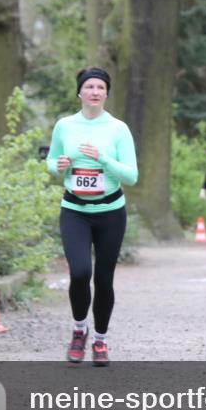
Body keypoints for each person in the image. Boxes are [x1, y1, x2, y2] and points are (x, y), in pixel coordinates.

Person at [46, 67, 138, 366]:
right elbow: (51, 160)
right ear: (80, 92)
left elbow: (132, 175)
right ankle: (78, 329)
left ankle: (100, 339)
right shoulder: (65, 126)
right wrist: (57, 165)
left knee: (103, 278)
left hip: (111, 212)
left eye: (100, 87)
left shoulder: (118, 129)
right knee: (80, 272)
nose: (95, 92)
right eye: (89, 87)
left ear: (107, 93)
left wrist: (103, 158)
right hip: (74, 210)